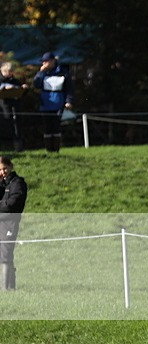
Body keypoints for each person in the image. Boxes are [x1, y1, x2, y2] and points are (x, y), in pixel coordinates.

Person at [32, 52, 74, 153]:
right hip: (45, 104)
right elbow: (36, 85)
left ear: (52, 61)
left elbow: (69, 89)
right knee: (47, 127)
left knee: (56, 126)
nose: (44, 63)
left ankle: (56, 149)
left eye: (46, 61)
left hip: (58, 103)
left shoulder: (63, 72)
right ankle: (48, 150)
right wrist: (40, 73)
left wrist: (68, 101)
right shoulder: (43, 73)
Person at [0, 156, 27, 290]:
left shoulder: (18, 183)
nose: (3, 172)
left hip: (10, 223)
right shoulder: (3, 184)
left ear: (11, 166)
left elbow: (12, 204)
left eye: (5, 168)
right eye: (0, 170)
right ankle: (10, 287)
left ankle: (6, 289)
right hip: (1, 222)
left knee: (6, 253)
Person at [0, 63, 27, 152]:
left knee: (17, 126)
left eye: (11, 71)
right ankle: (5, 147)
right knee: (5, 124)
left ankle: (18, 148)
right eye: (6, 71)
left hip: (15, 106)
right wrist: (4, 88)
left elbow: (21, 94)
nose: (9, 73)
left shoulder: (15, 81)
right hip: (3, 107)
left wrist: (23, 89)